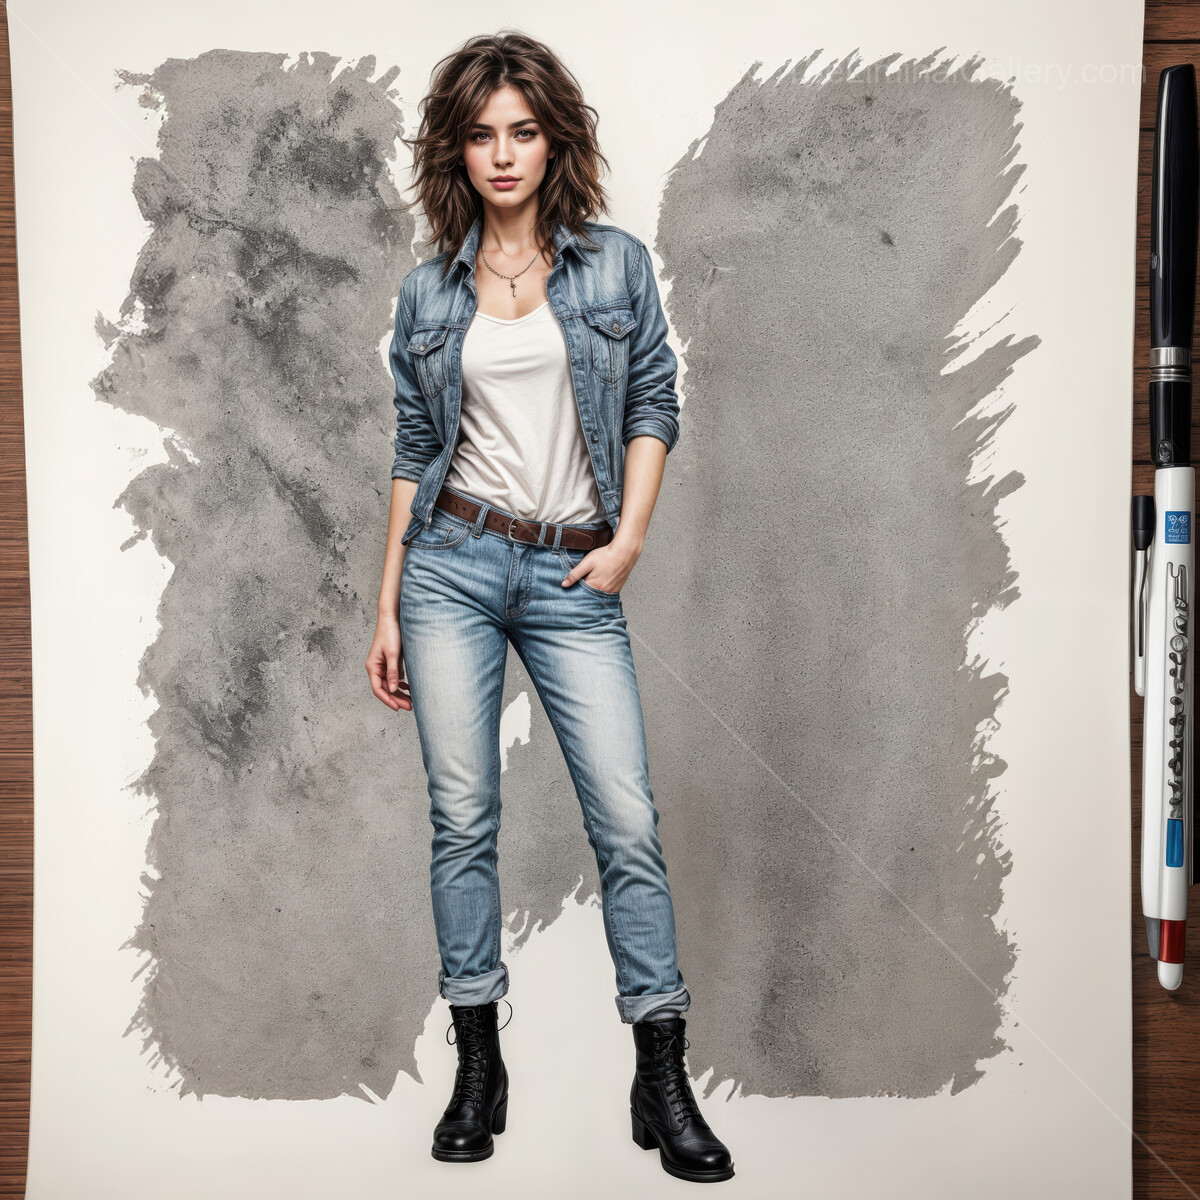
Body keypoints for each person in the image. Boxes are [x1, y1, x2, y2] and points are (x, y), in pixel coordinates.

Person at [365, 30, 734, 1184]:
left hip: (576, 573)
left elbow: (656, 399)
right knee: (463, 819)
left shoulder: (614, 266)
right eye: (481, 134)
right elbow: (415, 450)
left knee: (625, 819)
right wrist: (385, 608)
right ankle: (480, 1062)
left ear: (554, 138)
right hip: (453, 568)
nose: (503, 154)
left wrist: (628, 539)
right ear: (456, 152)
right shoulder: (430, 291)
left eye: (522, 130)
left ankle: (659, 1071)